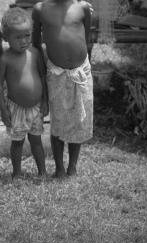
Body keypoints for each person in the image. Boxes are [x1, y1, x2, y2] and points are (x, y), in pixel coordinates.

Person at [32, 0, 94, 178]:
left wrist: (80, 58)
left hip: (81, 70)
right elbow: (36, 43)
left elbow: (86, 37)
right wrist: (42, 69)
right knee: (58, 120)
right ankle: (59, 167)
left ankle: (72, 166)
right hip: (56, 72)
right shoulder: (40, 9)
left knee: (79, 119)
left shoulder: (81, 8)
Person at [0, 7, 48, 178]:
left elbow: (42, 77)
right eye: (18, 37)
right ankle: (17, 173)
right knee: (17, 143)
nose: (23, 41)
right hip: (16, 109)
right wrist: (3, 109)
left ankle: (42, 171)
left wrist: (45, 101)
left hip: (36, 108)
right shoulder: (5, 58)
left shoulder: (35, 53)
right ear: (6, 38)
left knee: (36, 141)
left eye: (27, 35)